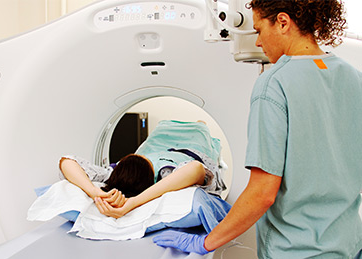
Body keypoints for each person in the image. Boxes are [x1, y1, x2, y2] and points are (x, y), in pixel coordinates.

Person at [153, 0, 362, 258]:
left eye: (259, 30)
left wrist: (205, 242)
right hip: (350, 247)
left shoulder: (274, 85)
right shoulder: (355, 78)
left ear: (283, 22)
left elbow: (263, 193)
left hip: (297, 252)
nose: (259, 42)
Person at [59, 120, 226, 218]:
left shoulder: (114, 174)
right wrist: (134, 202)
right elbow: (196, 168)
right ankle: (200, 125)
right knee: (200, 126)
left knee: (164, 124)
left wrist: (94, 192)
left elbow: (67, 160)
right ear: (151, 170)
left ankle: (172, 125)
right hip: (190, 145)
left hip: (156, 143)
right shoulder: (167, 175)